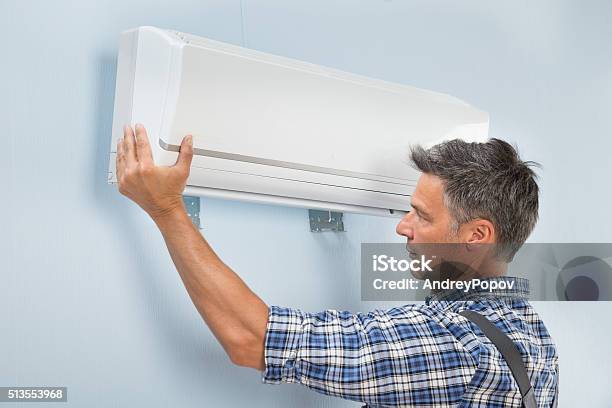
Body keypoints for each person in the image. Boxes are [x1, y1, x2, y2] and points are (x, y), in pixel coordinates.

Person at [115, 124, 559, 407]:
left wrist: (167, 209)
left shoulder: (455, 346)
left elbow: (251, 339)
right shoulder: (534, 335)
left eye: (422, 215)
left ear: (476, 236)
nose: (402, 228)